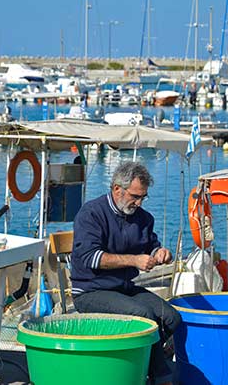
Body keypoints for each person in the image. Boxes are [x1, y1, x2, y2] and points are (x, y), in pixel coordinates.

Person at [71, 161, 181, 385]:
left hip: (123, 288)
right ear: (116, 189)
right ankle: (162, 377)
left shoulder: (143, 218)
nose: (138, 202)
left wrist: (160, 253)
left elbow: (150, 245)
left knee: (172, 317)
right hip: (90, 290)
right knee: (143, 315)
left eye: (143, 197)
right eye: (135, 196)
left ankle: (142, 364)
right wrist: (134, 260)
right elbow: (91, 258)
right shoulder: (91, 213)